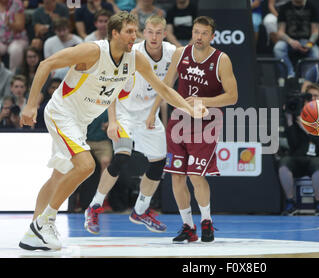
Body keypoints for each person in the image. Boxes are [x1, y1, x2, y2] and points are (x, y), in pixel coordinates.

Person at [18, 11, 207, 251]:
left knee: (59, 176)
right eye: (129, 31)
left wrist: (187, 107)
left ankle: (33, 232)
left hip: (81, 121)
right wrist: (31, 103)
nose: (134, 35)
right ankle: (44, 222)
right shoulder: (93, 51)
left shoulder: (135, 59)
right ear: (114, 33)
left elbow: (163, 89)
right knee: (86, 165)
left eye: (135, 30)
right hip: (62, 113)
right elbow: (46, 64)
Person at [84, 15, 175, 235]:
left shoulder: (172, 52)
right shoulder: (132, 52)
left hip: (148, 115)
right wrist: (113, 120)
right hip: (124, 112)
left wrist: (154, 113)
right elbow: (113, 88)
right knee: (122, 155)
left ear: (164, 33)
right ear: (145, 32)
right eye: (150, 32)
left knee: (158, 162)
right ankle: (94, 207)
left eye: (158, 32)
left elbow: (169, 84)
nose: (154, 37)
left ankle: (140, 211)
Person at [162, 16, 238, 243]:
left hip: (206, 123)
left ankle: (206, 221)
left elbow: (232, 97)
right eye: (196, 32)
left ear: (212, 36)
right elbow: (165, 87)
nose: (199, 36)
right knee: (176, 176)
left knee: (195, 175)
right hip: (179, 122)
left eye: (204, 33)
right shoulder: (180, 53)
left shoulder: (221, 59)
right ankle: (188, 226)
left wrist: (201, 101)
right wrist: (152, 114)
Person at [278, 83, 319, 216]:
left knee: (317, 164)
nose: (313, 99)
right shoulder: (298, 114)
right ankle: (290, 202)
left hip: (316, 158)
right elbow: (293, 145)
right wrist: (290, 121)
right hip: (297, 157)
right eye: (310, 97)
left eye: (316, 96)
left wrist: (307, 128)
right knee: (284, 163)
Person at [273, 0, 319, 80]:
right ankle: (290, 74)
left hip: (306, 41)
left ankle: (306, 77)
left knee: (316, 53)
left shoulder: (312, 7)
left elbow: (315, 32)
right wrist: (290, 41)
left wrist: (309, 44)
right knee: (278, 48)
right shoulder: (284, 8)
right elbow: (280, 32)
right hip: (288, 41)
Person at [0, 0, 28, 73]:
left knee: (15, 50)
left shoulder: (16, 3)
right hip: (1, 40)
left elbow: (20, 27)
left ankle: (14, 76)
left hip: (17, 39)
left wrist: (9, 24)